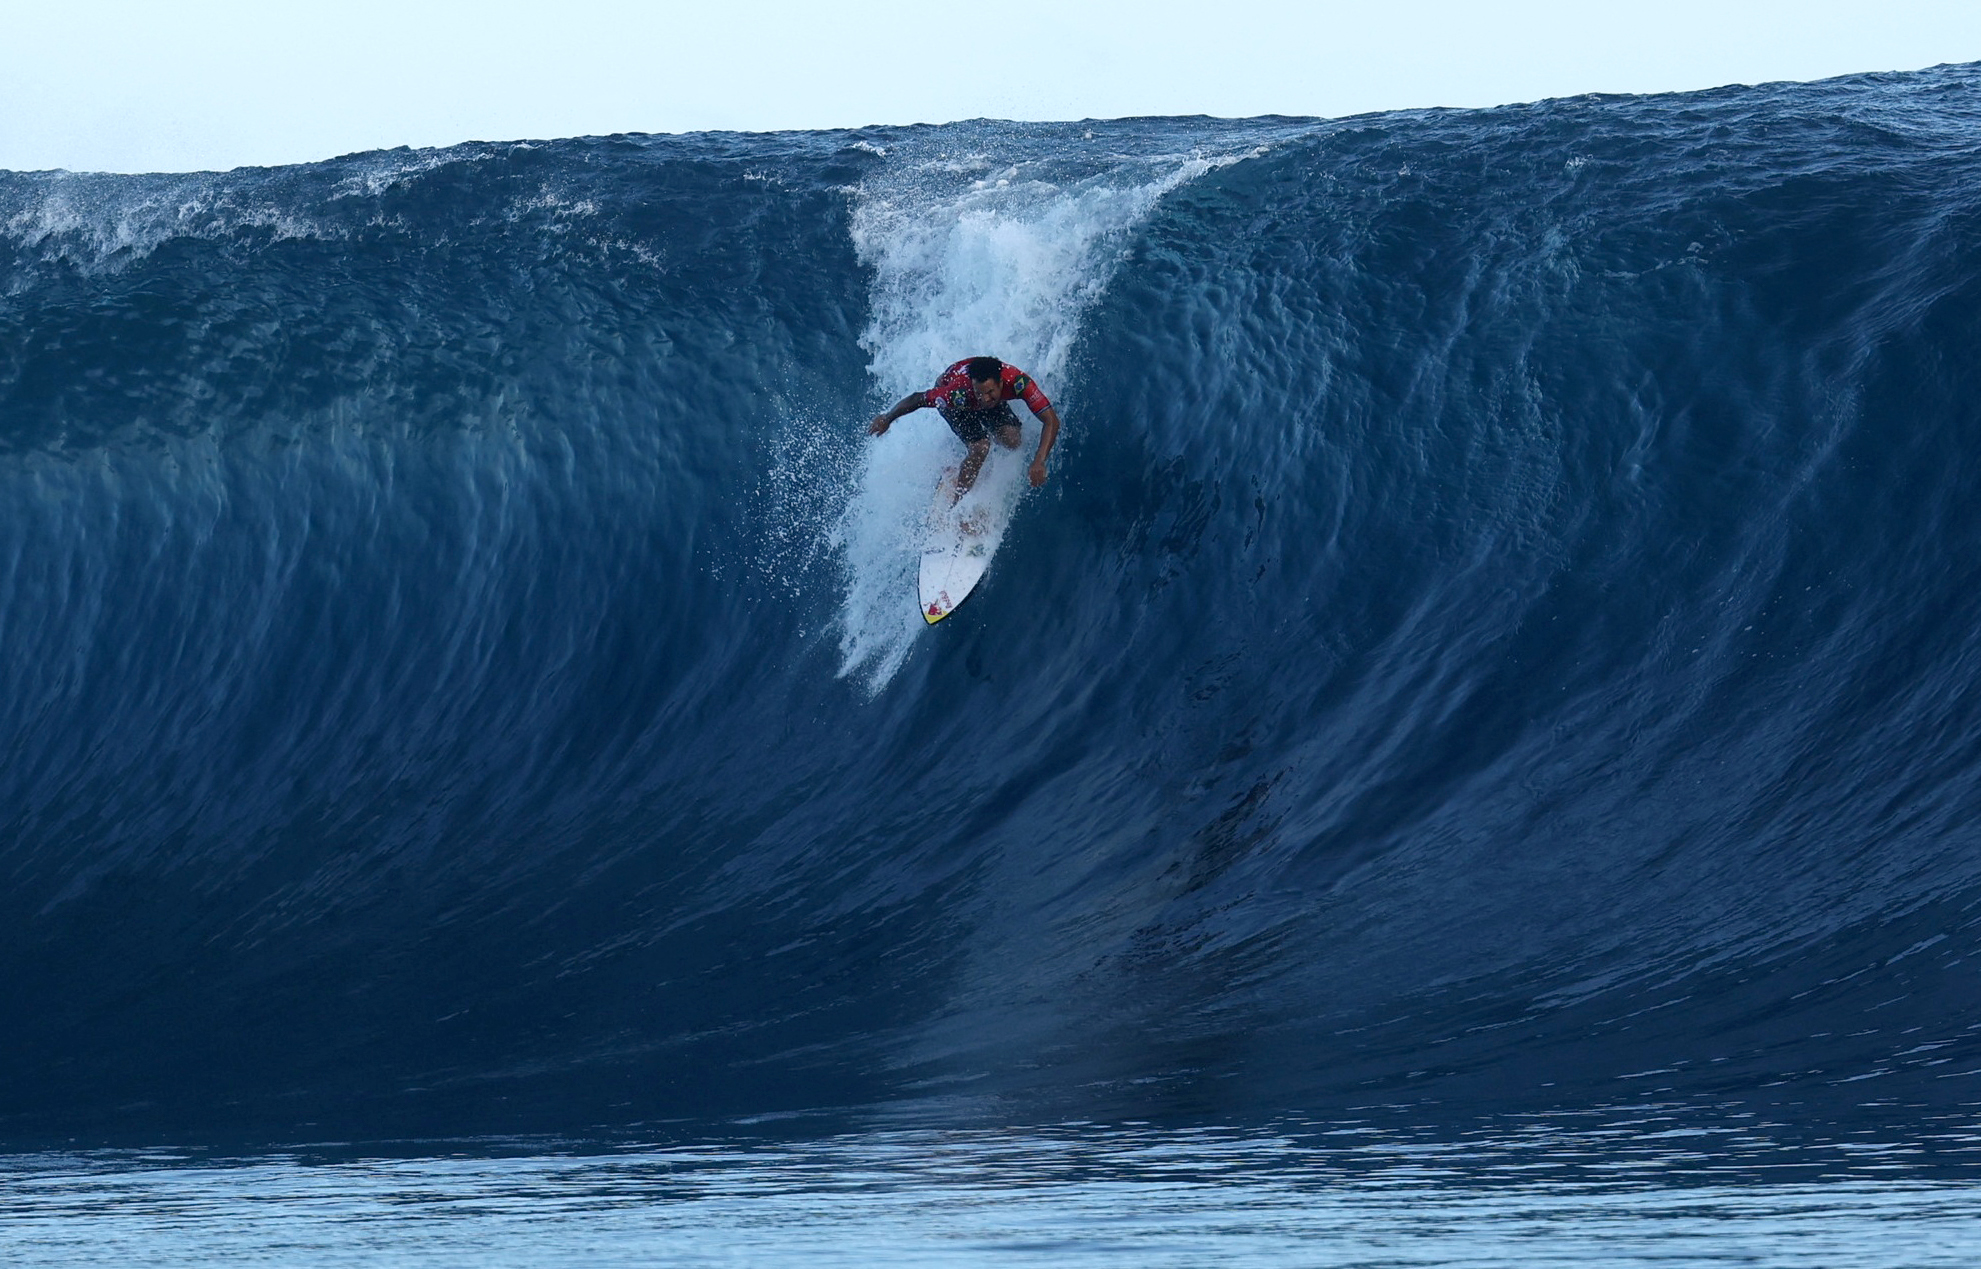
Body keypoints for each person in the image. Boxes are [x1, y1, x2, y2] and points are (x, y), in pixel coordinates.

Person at [868, 356, 1063, 500]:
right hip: (959, 404)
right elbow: (917, 399)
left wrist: (1039, 460)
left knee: (1012, 441)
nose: (985, 398)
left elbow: (1051, 421)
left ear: (1001, 383)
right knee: (981, 447)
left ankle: (973, 462)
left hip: (982, 397)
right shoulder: (957, 393)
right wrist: (887, 418)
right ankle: (957, 500)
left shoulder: (1018, 382)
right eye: (980, 393)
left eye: (990, 392)